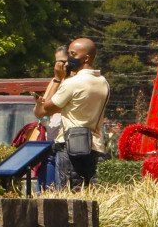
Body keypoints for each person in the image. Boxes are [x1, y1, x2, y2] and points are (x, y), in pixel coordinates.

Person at [34, 37, 109, 191]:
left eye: (73, 54)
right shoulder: (103, 82)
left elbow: (43, 111)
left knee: (67, 198)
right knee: (88, 196)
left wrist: (57, 79)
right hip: (95, 146)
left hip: (70, 147)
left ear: (87, 57)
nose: (68, 59)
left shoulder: (72, 83)